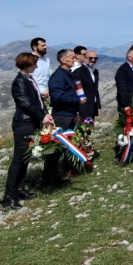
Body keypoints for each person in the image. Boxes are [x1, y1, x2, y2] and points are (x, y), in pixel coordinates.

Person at [1, 52, 54, 209]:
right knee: (18, 160)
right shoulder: (19, 82)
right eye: (34, 64)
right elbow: (26, 104)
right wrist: (41, 116)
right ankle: (9, 196)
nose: (36, 66)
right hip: (23, 123)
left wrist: (45, 114)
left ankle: (19, 188)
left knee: (25, 158)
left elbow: (38, 101)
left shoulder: (29, 79)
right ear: (26, 64)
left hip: (31, 122)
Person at [46, 49, 86, 185]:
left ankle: (67, 171)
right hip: (62, 115)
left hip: (70, 114)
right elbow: (57, 97)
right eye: (72, 58)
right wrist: (77, 101)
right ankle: (49, 179)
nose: (75, 60)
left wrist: (76, 112)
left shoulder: (69, 75)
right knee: (56, 148)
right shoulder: (58, 77)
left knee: (68, 145)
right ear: (63, 60)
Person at [74, 49, 102, 127]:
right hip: (82, 107)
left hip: (92, 106)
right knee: (82, 129)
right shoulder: (78, 72)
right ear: (85, 58)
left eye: (95, 58)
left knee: (89, 129)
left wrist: (98, 106)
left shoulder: (95, 72)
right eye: (90, 58)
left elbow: (95, 89)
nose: (93, 60)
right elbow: (76, 90)